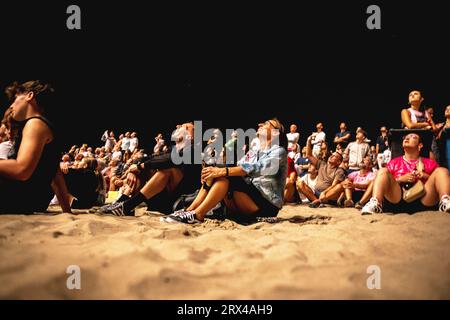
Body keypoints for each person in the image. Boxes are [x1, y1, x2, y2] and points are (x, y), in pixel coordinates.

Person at [162, 118, 288, 224]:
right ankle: (189, 210)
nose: (260, 124)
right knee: (219, 172)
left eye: (266, 124)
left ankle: (197, 215)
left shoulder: (279, 151)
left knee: (225, 173)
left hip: (265, 207)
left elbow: (255, 168)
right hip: (247, 201)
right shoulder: (253, 152)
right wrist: (211, 170)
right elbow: (238, 166)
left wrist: (221, 171)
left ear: (276, 133)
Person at [99, 122, 202, 216]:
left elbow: (171, 159)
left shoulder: (194, 150)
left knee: (167, 170)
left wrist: (140, 166)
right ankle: (121, 203)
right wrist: (134, 168)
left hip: (178, 202)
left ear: (192, 137)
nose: (180, 128)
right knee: (141, 169)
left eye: (187, 128)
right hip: (160, 200)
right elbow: (147, 158)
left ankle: (127, 206)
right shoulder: (171, 149)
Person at [0, 80, 71, 214]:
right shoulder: (43, 125)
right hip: (33, 200)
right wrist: (67, 211)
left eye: (15, 99)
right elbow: (56, 176)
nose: (11, 106)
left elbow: (22, 169)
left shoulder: (35, 123)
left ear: (29, 95)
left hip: (18, 197)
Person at [361, 133, 450, 214]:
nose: (407, 138)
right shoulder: (393, 163)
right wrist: (400, 179)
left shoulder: (430, 163)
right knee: (383, 171)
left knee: (442, 171)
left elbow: (440, 181)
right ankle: (376, 204)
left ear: (420, 145)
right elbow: (383, 181)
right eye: (405, 138)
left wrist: (425, 176)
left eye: (413, 137)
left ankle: (445, 202)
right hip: (398, 198)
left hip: (424, 198)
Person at [297, 133, 345, 208]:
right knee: (300, 183)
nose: (332, 156)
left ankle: (318, 201)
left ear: (339, 162)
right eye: (332, 155)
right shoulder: (322, 164)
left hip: (328, 196)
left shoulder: (339, 171)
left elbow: (334, 186)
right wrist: (309, 141)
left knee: (339, 186)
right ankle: (317, 201)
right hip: (316, 194)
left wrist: (324, 192)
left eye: (335, 156)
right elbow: (309, 155)